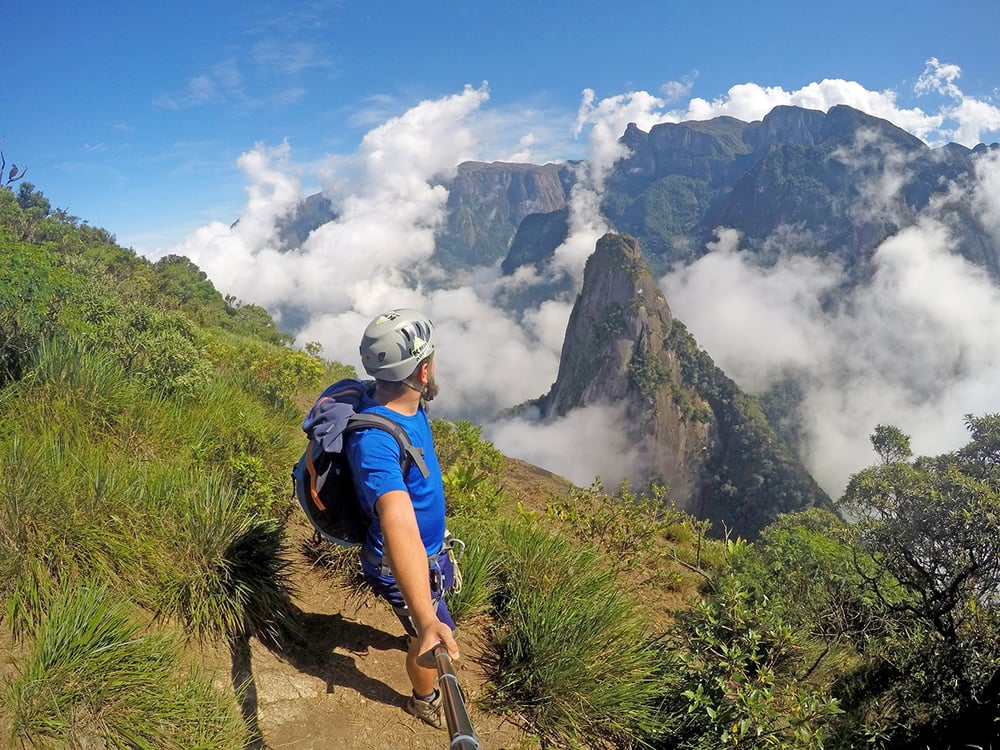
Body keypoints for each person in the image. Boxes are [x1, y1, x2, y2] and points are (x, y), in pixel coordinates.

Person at [345, 308, 460, 730]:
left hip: (427, 550)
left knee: (423, 623)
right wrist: (426, 620)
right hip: (400, 563)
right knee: (426, 638)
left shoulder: (401, 403)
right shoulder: (376, 442)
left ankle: (414, 624)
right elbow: (397, 520)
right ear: (423, 371)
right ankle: (424, 699)